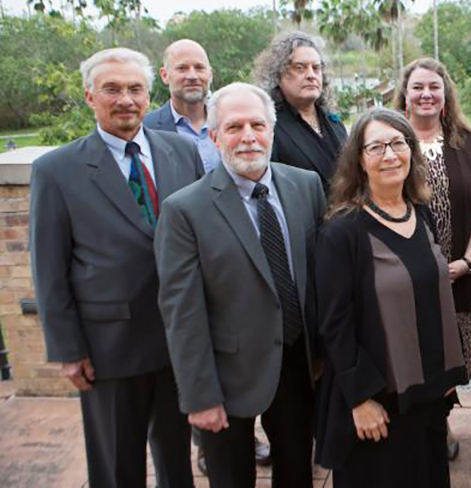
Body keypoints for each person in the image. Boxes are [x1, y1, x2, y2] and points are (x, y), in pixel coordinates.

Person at [29, 48, 203, 488]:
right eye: (112, 89)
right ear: (90, 95)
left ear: (149, 95)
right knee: (117, 467)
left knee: (177, 463)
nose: (125, 99)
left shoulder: (183, 152)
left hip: (178, 340)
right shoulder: (56, 170)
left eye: (134, 89)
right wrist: (67, 348)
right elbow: (48, 267)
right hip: (110, 346)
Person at [155, 83, 326, 488]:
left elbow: (319, 279)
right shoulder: (184, 210)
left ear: (272, 130)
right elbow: (182, 311)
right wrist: (200, 396)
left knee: (297, 472)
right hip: (225, 374)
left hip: (296, 363)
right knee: (231, 478)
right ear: (213, 137)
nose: (248, 136)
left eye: (257, 125)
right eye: (234, 127)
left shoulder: (306, 186)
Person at [314, 108, 468, 487]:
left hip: (426, 396)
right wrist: (360, 400)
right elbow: (335, 323)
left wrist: (444, 374)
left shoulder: (422, 213)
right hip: (380, 401)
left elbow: (430, 296)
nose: (389, 155)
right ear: (359, 161)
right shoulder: (342, 232)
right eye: (377, 147)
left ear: (411, 153)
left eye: (398, 143)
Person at [395, 58, 471, 459]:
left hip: (458, 276)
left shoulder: (465, 142)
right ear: (405, 94)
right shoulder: (391, 139)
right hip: (405, 279)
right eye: (418, 87)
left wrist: (470, 261)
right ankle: (432, 426)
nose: (426, 94)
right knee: (412, 353)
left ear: (445, 94)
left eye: (434, 87)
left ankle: (439, 419)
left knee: (453, 357)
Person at [252, 30, 347, 196]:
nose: (311, 75)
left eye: (316, 68)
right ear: (278, 75)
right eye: (300, 68)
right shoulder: (269, 127)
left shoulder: (333, 121)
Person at [144, 39, 220, 173]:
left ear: (210, 74)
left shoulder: (229, 122)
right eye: (182, 68)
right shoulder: (146, 129)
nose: (192, 76)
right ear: (164, 75)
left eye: (199, 67)